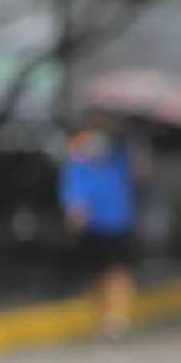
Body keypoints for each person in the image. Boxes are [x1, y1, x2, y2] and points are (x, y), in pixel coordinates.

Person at [61, 118, 139, 339]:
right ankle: (103, 318)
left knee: (118, 273)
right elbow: (75, 202)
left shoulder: (119, 158)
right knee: (97, 275)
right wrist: (75, 218)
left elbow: (140, 172)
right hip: (94, 229)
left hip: (119, 226)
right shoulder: (78, 163)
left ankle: (118, 319)